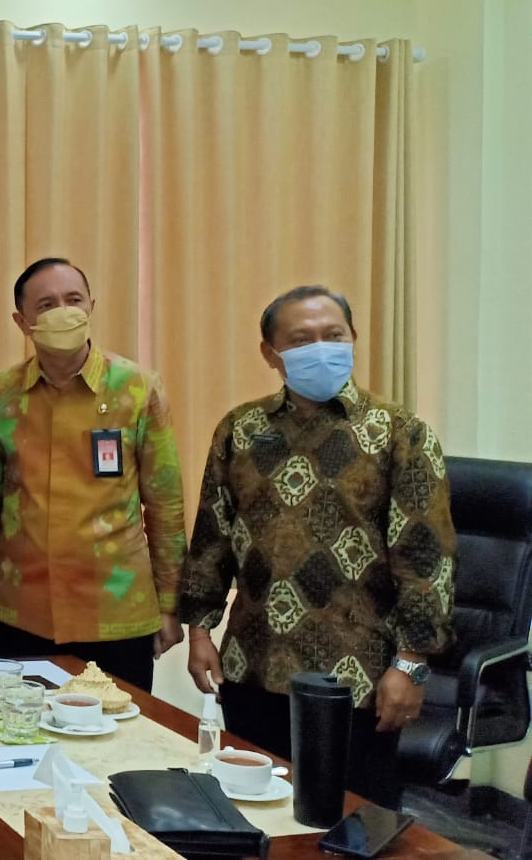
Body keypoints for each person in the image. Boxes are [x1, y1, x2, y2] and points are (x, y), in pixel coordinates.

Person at [178, 285, 455, 810]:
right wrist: (199, 631)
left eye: (334, 335)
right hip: (252, 664)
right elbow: (212, 535)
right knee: (251, 815)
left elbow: (426, 560)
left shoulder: (400, 433)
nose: (321, 348)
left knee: (349, 824)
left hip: (357, 677)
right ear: (271, 353)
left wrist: (411, 665)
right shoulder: (241, 429)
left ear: (353, 338)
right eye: (301, 340)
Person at [0, 257, 187, 692]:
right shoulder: (0, 394)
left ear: (91, 306)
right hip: (23, 609)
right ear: (23, 322)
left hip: (117, 611)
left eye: (74, 300)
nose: (64, 312)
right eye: (47, 305)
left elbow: (166, 504)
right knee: (23, 727)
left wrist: (169, 603)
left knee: (121, 729)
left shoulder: (137, 388)